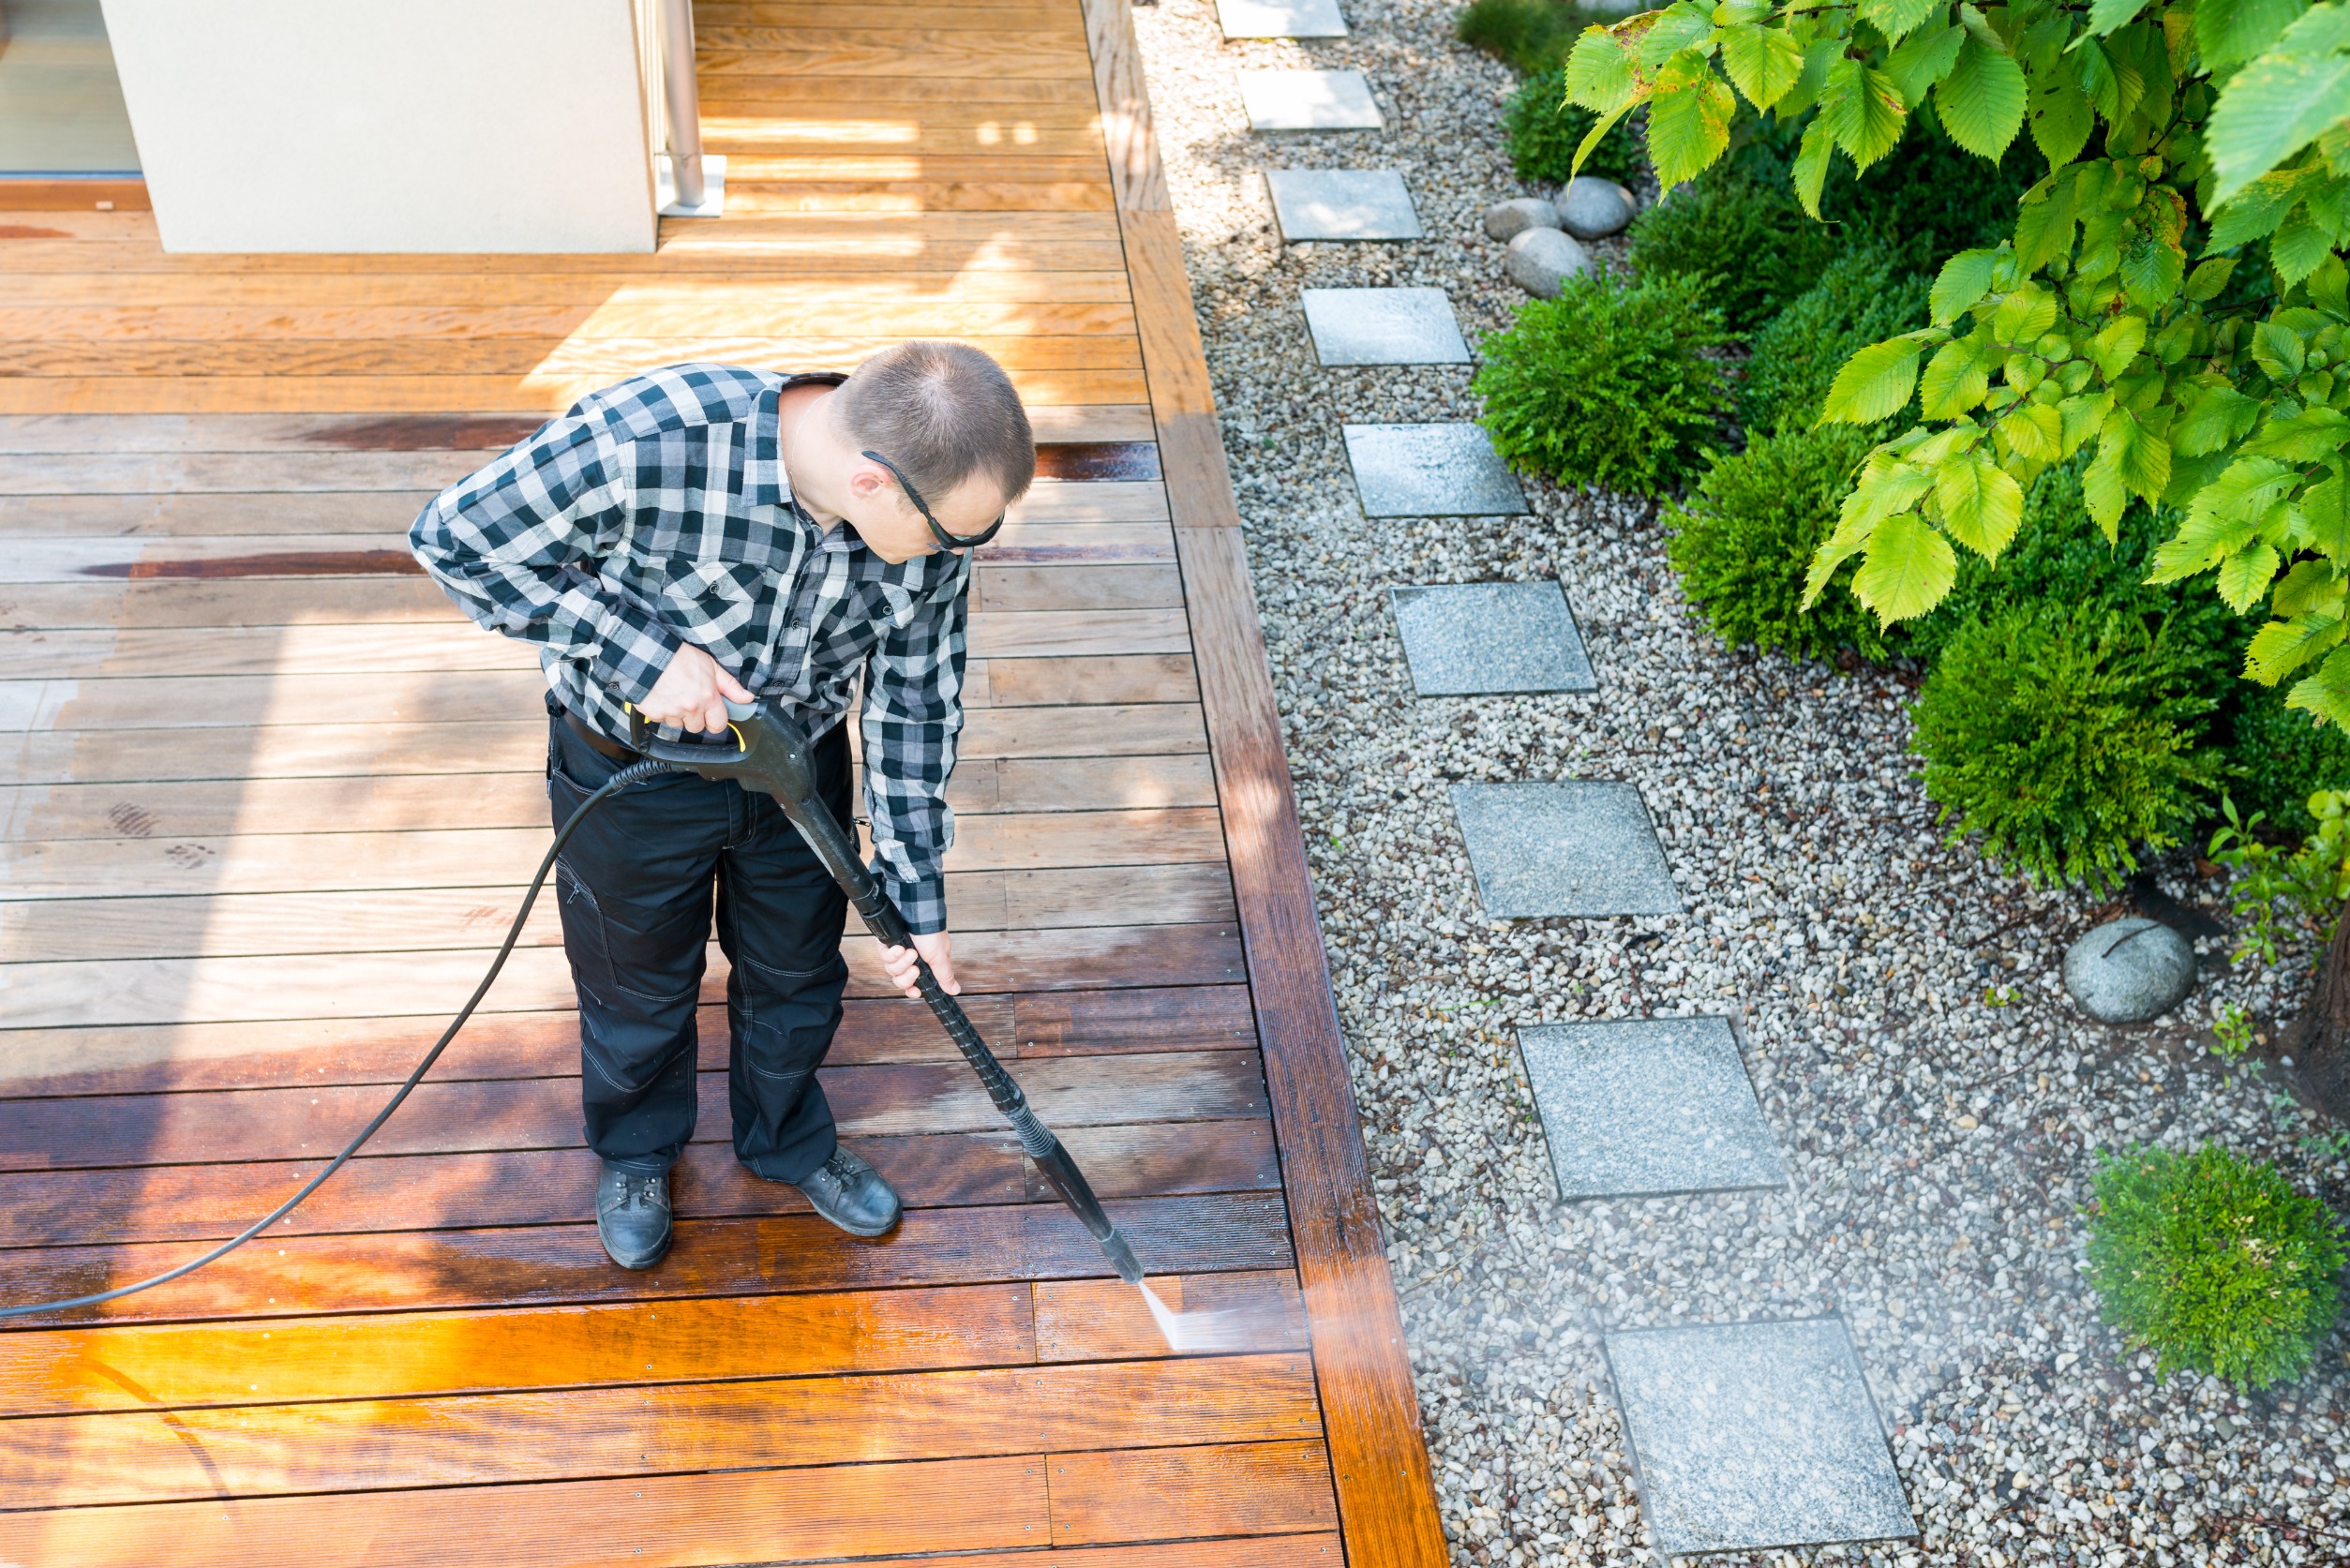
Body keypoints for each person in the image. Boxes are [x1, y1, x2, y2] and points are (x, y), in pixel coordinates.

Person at [410, 344, 1034, 1270]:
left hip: (798, 775)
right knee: (635, 985)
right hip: (629, 775)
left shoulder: (921, 524)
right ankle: (635, 1151)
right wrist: (640, 653)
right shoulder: (648, 436)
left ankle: (784, 1137)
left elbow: (915, 705)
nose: (959, 553)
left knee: (797, 975)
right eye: (958, 534)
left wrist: (915, 902)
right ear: (873, 484)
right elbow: (454, 538)